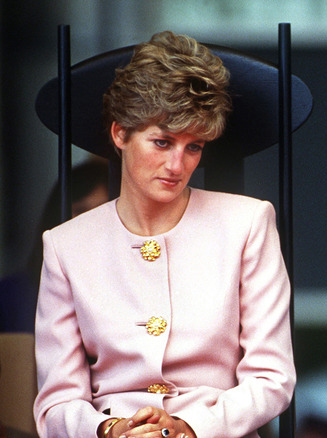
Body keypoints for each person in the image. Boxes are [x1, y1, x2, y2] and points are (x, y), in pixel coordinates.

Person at [33, 31, 295, 438]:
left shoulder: (248, 223)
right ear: (120, 135)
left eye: (194, 147)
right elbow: (56, 403)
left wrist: (191, 427)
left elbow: (272, 378)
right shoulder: (66, 245)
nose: (178, 164)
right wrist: (111, 430)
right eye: (162, 142)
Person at [0, 157, 109, 334]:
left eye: (102, 210)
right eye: (81, 210)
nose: (92, 220)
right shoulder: (12, 296)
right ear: (58, 215)